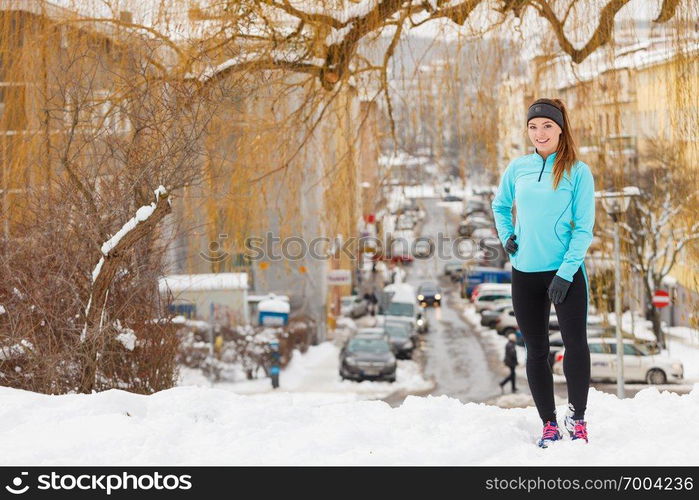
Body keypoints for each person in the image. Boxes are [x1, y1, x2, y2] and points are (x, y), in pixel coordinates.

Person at [492, 98, 594, 448]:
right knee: (536, 350)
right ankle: (549, 424)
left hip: (566, 274)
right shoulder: (518, 167)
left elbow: (583, 228)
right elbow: (500, 205)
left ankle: (577, 419)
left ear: (561, 129)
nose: (539, 133)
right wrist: (507, 235)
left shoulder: (577, 172)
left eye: (547, 126)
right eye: (533, 127)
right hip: (525, 274)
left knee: (576, 345)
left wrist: (566, 273)